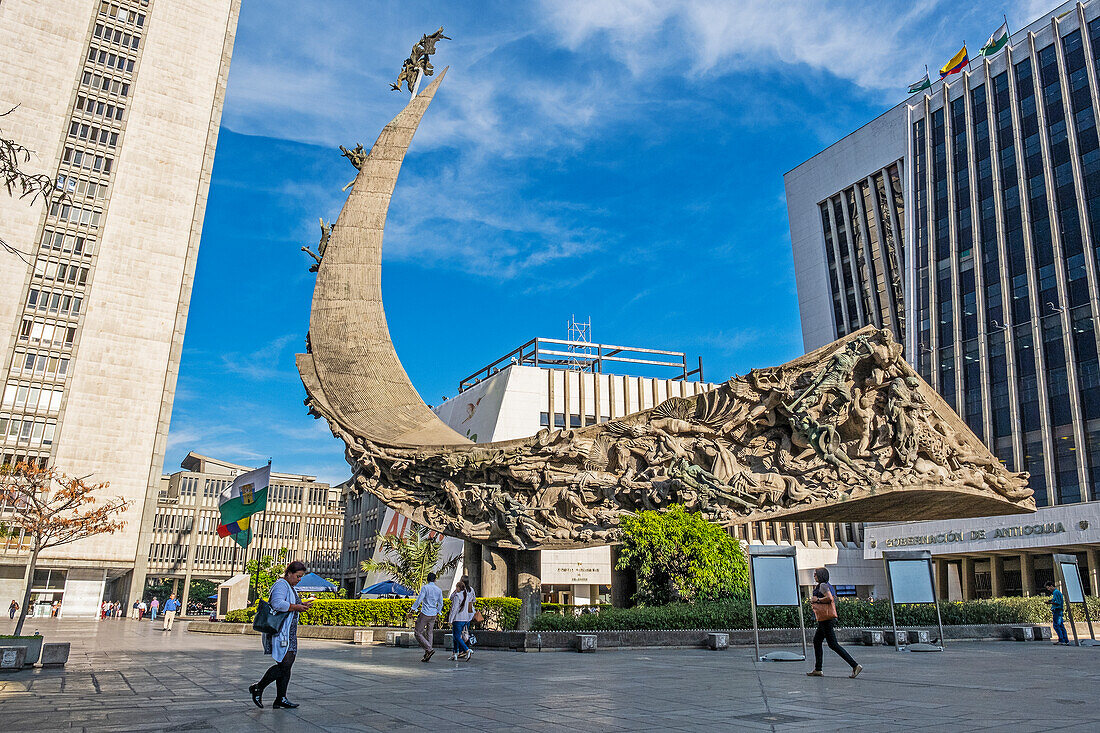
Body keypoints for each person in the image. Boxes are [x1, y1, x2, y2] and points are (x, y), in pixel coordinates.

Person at [251, 560, 313, 709]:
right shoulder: (281, 585)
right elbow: (277, 603)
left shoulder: (290, 587)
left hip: (289, 632)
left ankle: (281, 698)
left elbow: (288, 603)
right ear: (289, 573)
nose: (299, 580)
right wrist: (296, 607)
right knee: (284, 665)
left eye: (301, 577)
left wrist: (301, 605)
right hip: (281, 632)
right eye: (297, 576)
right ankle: (258, 687)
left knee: (287, 664)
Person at [807, 568, 862, 679]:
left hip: (826, 619)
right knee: (817, 641)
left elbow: (829, 598)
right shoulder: (824, 585)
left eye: (816, 574)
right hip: (824, 619)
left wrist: (817, 600)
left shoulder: (823, 586)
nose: (814, 576)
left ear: (821, 575)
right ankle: (818, 669)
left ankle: (855, 665)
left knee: (833, 644)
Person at [410, 572, 444, 662]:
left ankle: (429, 649)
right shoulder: (438, 590)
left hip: (425, 612)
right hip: (433, 613)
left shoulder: (425, 588)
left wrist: (413, 608)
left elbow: (419, 599)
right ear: (435, 580)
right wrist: (438, 611)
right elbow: (441, 603)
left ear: (427, 579)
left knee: (417, 632)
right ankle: (427, 652)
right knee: (429, 633)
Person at [448, 579, 476, 661]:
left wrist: (450, 620)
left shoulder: (457, 596)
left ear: (458, 587)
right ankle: (455, 653)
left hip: (457, 619)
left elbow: (454, 609)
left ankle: (467, 650)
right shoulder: (466, 595)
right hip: (465, 618)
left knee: (456, 636)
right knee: (456, 637)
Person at [1045, 580, 1070, 645]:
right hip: (1059, 610)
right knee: (1061, 625)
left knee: (1056, 625)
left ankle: (1061, 640)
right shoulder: (1057, 592)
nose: (1048, 589)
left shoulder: (1056, 592)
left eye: (1048, 588)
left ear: (1051, 586)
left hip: (1057, 610)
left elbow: (1057, 602)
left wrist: (1050, 602)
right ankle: (1065, 639)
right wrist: (1051, 600)